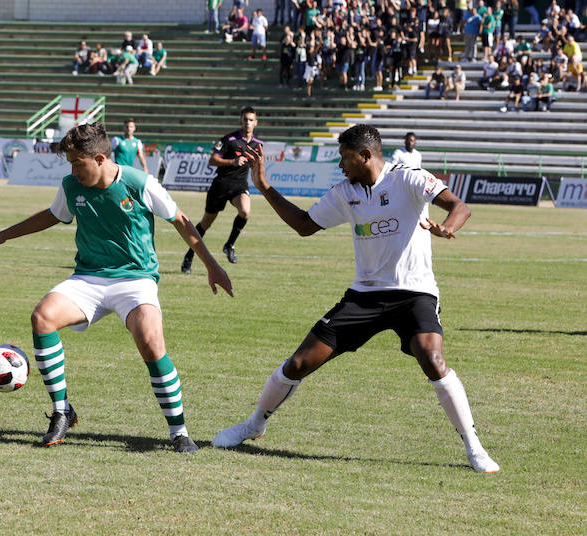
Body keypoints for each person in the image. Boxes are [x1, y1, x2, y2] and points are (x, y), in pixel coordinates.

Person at [211, 124, 500, 474]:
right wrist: (265, 187)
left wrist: (449, 226)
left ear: (366, 155)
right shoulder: (344, 192)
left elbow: (458, 206)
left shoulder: (406, 178)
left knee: (432, 357)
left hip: (415, 293)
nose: (340, 164)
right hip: (365, 296)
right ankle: (254, 424)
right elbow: (304, 225)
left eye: (345, 157)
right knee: (299, 363)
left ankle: (474, 447)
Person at [0, 122, 233, 452]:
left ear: (99, 158)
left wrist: (212, 265)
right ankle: (61, 412)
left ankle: (179, 432)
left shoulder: (139, 182)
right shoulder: (72, 185)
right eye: (69, 163)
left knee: (151, 342)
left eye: (77, 163)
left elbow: (181, 221)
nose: (72, 170)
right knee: (43, 317)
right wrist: (2, 235)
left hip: (136, 280)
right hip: (89, 278)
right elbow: (54, 215)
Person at [181, 106, 262, 274]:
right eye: (245, 119)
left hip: (239, 186)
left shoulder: (258, 144)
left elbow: (258, 165)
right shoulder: (229, 139)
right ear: (241, 121)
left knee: (245, 211)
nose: (248, 123)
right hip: (221, 185)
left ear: (256, 123)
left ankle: (229, 245)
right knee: (206, 223)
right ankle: (189, 255)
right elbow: (212, 160)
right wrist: (232, 161)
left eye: (251, 120)